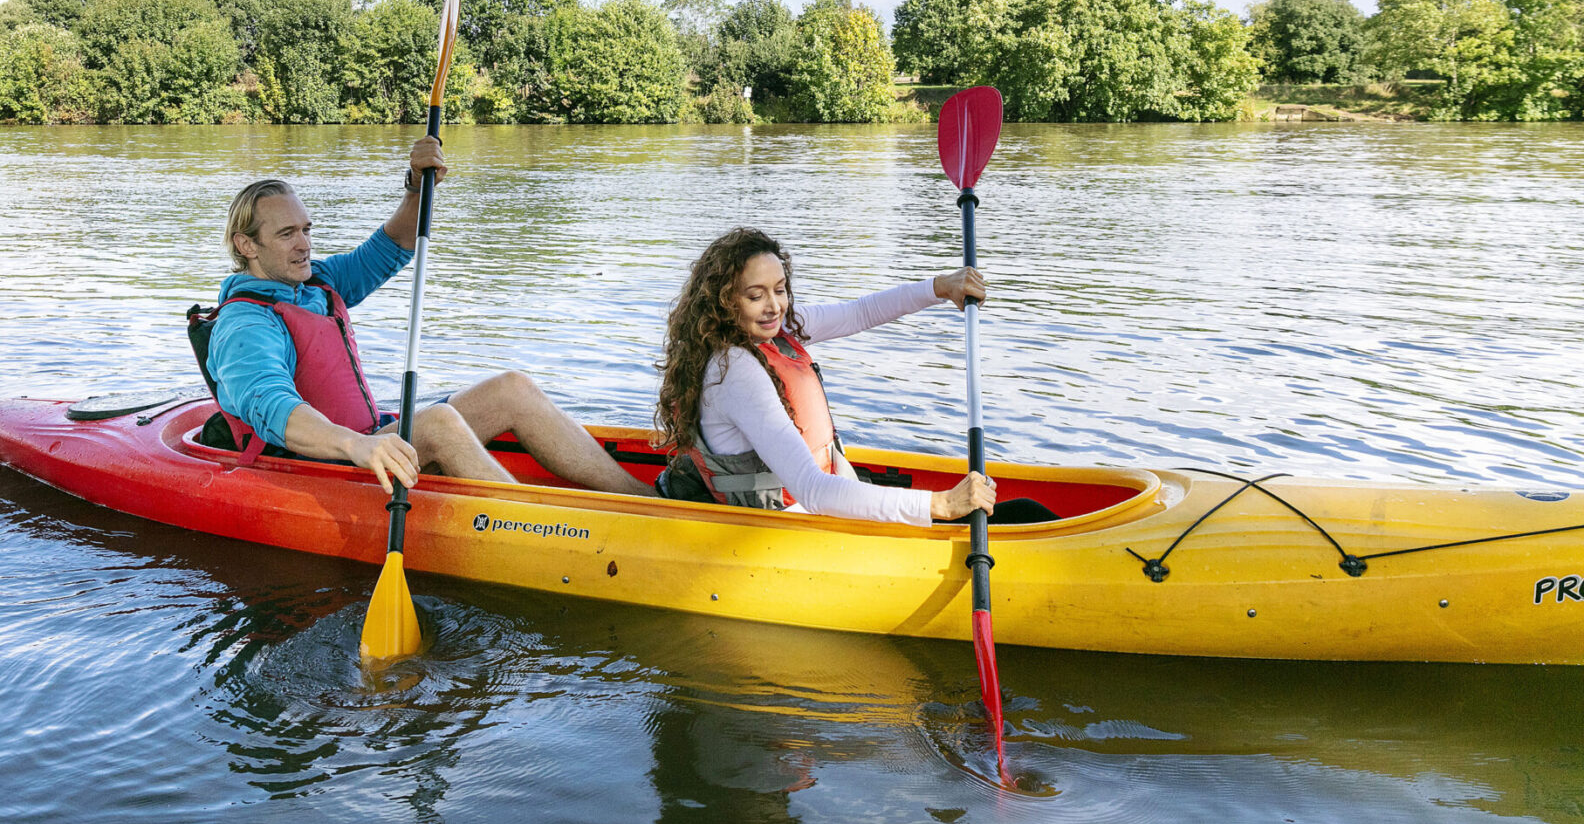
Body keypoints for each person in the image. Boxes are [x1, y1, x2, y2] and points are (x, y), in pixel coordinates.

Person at [204, 136, 650, 497]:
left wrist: (418, 186)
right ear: (247, 245)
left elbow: (394, 244)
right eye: (287, 234)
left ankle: (650, 501)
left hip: (367, 442)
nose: (304, 244)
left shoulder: (316, 282)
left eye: (306, 229)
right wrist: (359, 445)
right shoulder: (246, 324)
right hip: (323, 467)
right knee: (437, 422)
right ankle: (544, 531)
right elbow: (274, 409)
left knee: (512, 388)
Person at [654, 226, 1054, 525]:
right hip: (790, 525)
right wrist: (941, 504)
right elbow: (813, 490)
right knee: (1025, 515)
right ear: (723, 302)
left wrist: (939, 287)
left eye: (780, 289)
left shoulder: (776, 331)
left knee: (1025, 512)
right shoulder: (734, 371)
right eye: (755, 295)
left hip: (819, 507)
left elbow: (860, 312)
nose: (774, 305)